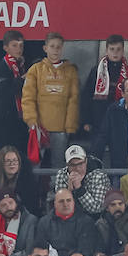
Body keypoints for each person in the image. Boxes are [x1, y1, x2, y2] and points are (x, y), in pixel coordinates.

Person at [22, 32, 81, 164]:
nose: (55, 50)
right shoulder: (35, 69)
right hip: (39, 127)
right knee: (34, 162)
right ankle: (33, 185)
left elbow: (73, 100)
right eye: (52, 46)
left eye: (58, 47)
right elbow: (28, 98)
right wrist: (31, 120)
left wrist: (70, 126)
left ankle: (58, 185)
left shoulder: (70, 71)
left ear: (62, 48)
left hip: (60, 128)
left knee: (59, 164)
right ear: (45, 48)